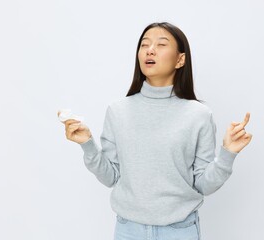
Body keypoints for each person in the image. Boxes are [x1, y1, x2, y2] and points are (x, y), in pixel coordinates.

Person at [59, 22, 252, 240]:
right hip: (128, 231)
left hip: (180, 231)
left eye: (161, 44)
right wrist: (88, 144)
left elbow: (203, 184)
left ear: (180, 59)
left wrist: (227, 153)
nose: (150, 50)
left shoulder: (199, 115)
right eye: (144, 45)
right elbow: (111, 177)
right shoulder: (117, 111)